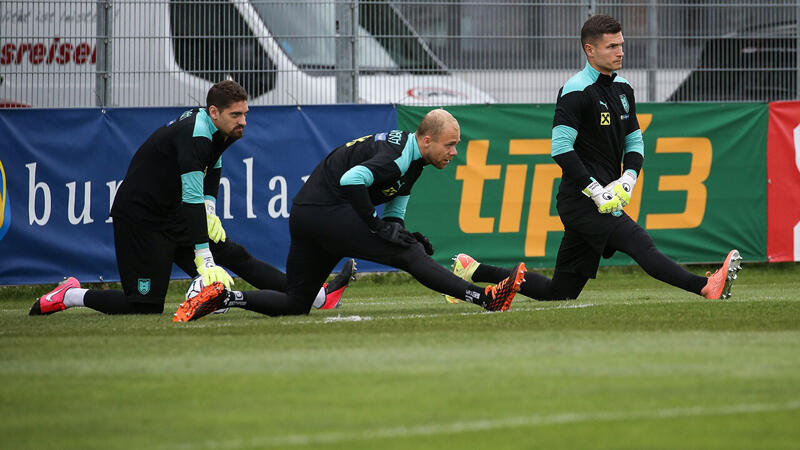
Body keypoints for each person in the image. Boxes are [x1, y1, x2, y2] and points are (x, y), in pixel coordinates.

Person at [445, 14, 741, 303]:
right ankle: (705, 286)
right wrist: (595, 190)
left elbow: (634, 140)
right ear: (590, 49)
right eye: (612, 46)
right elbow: (560, 148)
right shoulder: (575, 90)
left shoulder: (623, 88)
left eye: (621, 44)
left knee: (559, 291)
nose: (620, 52)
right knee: (640, 244)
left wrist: (628, 178)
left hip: (604, 197)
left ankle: (472, 269)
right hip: (582, 201)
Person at [30, 80, 353, 317]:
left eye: (245, 113)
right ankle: (70, 294)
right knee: (144, 306)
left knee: (237, 256)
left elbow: (213, 170)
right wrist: (204, 257)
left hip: (173, 214)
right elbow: (190, 198)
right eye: (236, 114)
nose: (243, 121)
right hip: (142, 219)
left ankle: (314, 296)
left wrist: (210, 209)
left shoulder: (221, 130)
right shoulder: (195, 136)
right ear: (214, 112)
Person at [172, 109, 526, 322]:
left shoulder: (413, 160)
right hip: (328, 212)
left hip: (307, 214)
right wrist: (374, 227)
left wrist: (402, 231)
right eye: (450, 144)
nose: (454, 152)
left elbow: (394, 215)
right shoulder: (398, 155)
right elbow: (352, 179)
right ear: (428, 139)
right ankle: (485, 299)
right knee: (407, 256)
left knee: (297, 303)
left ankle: (222, 297)